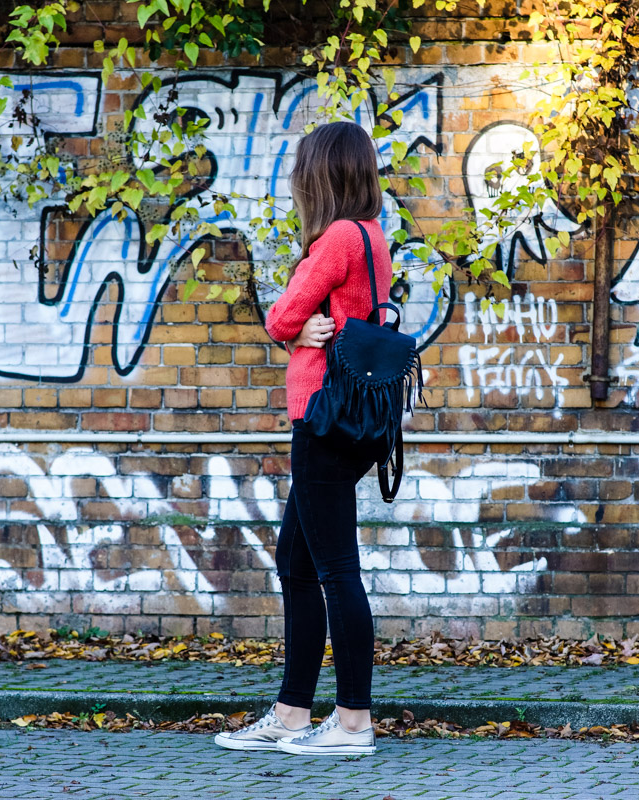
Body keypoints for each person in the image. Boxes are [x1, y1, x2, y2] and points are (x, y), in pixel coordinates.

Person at [213, 120, 392, 756]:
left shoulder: (339, 237)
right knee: (296, 562)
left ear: (320, 176)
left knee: (336, 568)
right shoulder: (373, 235)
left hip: (321, 416)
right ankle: (292, 713)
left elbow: (282, 314)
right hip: (350, 416)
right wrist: (306, 328)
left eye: (301, 171)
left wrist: (295, 329)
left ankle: (351, 723)